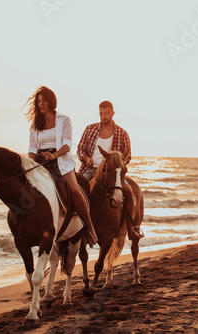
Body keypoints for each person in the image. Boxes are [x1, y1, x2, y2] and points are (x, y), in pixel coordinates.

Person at [25, 86, 98, 247]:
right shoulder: (35, 125)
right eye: (38, 101)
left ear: (51, 101)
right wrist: (29, 165)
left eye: (44, 100)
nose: (41, 104)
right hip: (40, 162)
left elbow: (66, 144)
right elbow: (32, 149)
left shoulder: (64, 120)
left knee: (74, 189)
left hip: (61, 161)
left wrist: (54, 155)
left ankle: (90, 229)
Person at [77, 101, 144, 240]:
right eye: (101, 113)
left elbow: (128, 155)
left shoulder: (122, 133)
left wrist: (117, 165)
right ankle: (74, 227)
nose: (103, 116)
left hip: (113, 173)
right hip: (91, 169)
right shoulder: (90, 129)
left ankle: (132, 229)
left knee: (128, 191)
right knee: (76, 190)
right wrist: (86, 158)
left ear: (113, 113)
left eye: (106, 113)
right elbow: (80, 149)